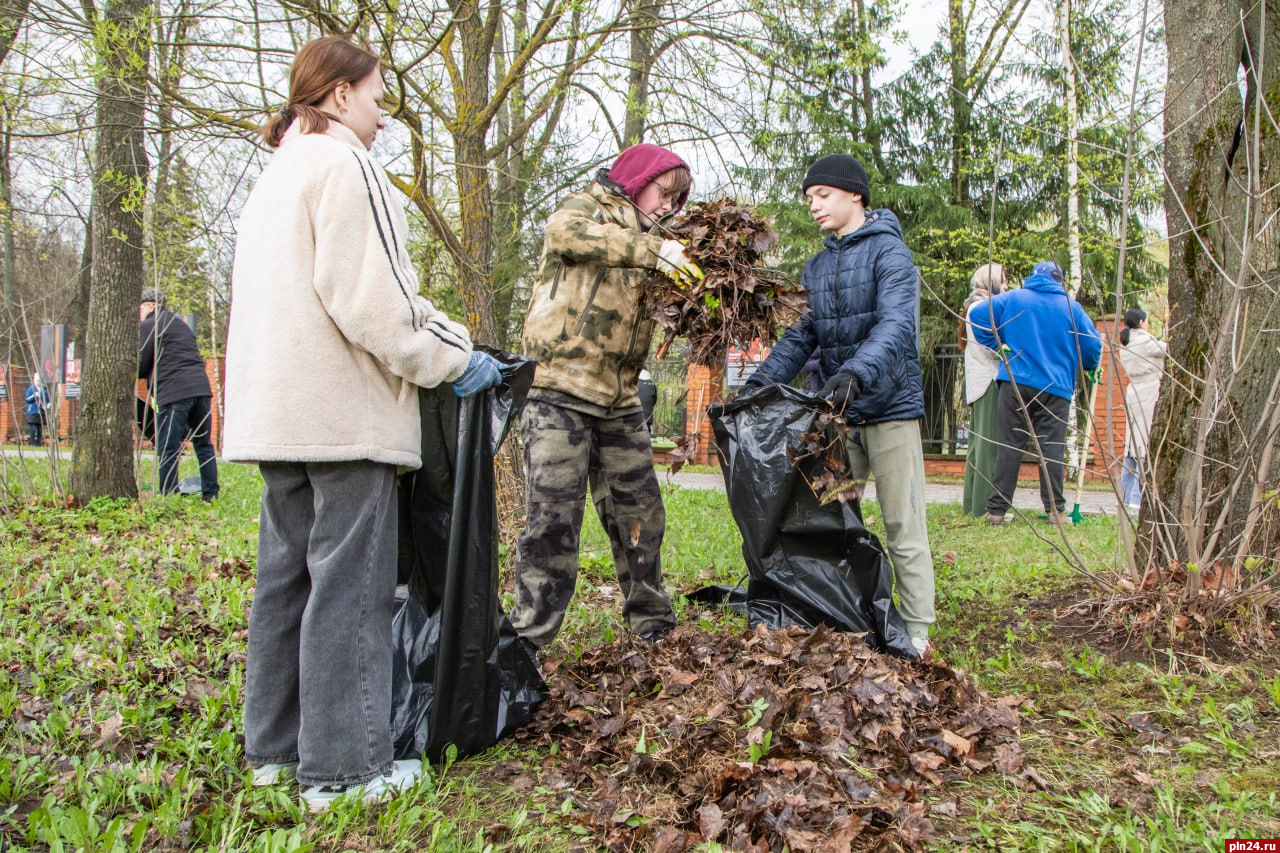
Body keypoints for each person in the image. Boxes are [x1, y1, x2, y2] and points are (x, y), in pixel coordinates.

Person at [222, 35, 502, 813]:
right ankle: (344, 770)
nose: (383, 119)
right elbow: (375, 301)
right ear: (340, 95)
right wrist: (456, 358)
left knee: (287, 581)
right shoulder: (345, 165)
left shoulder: (276, 174)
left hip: (277, 414)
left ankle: (275, 753)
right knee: (351, 588)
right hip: (343, 415)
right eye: (378, 99)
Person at [743, 153, 935, 658]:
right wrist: (758, 385)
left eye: (822, 195)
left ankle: (916, 630)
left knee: (902, 525)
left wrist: (853, 372)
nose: (814, 206)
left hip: (889, 410)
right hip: (838, 420)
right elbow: (799, 337)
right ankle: (843, 614)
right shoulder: (818, 264)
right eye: (809, 199)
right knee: (833, 521)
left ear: (855, 194)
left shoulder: (891, 255)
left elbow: (896, 327)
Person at [514, 142, 701, 649]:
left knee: (640, 514)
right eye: (666, 194)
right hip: (559, 392)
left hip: (620, 402)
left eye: (677, 202)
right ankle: (526, 642)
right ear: (639, 177)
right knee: (553, 521)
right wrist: (652, 251)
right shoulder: (585, 208)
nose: (668, 208)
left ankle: (652, 625)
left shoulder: (655, 239)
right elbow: (563, 235)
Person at [971, 261, 1103, 525]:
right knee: (1051, 449)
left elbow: (977, 316)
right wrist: (1089, 366)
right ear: (1060, 281)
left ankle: (996, 511)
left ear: (1033, 277)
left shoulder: (1014, 298)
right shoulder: (1071, 308)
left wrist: (998, 345)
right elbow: (1092, 345)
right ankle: (1056, 511)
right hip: (1056, 388)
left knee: (1009, 445)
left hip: (1016, 382)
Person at [138, 290, 220, 501]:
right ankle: (211, 493)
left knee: (168, 446)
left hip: (174, 392)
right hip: (201, 389)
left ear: (149, 305)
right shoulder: (180, 324)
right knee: (204, 444)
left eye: (140, 308)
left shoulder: (150, 325)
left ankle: (168, 494)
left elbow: (142, 362)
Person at [960, 263, 1006, 517]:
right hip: (989, 380)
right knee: (988, 447)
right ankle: (983, 507)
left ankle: (972, 504)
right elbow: (991, 346)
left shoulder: (972, 305)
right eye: (1004, 281)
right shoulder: (982, 308)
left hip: (980, 381)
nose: (1007, 287)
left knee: (978, 447)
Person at [1116, 308, 1166, 510]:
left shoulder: (1126, 342)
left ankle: (1126, 494)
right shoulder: (1145, 341)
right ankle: (1137, 495)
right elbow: (1168, 348)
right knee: (1143, 444)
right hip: (1149, 391)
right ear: (1142, 321)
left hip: (1133, 391)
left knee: (1132, 442)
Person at [24, 377, 50, 446]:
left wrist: (46, 407)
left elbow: (48, 401)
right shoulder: (31, 389)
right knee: (33, 428)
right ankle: (33, 443)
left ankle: (37, 444)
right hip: (32, 412)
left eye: (40, 381)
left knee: (39, 429)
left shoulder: (44, 390)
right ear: (35, 381)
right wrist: (34, 396)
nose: (39, 382)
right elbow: (27, 399)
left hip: (41, 413)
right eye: (37, 381)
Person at [637, 368, 658, 432]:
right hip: (647, 419)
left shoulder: (634, 383)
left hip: (634, 417)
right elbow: (654, 401)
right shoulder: (652, 384)